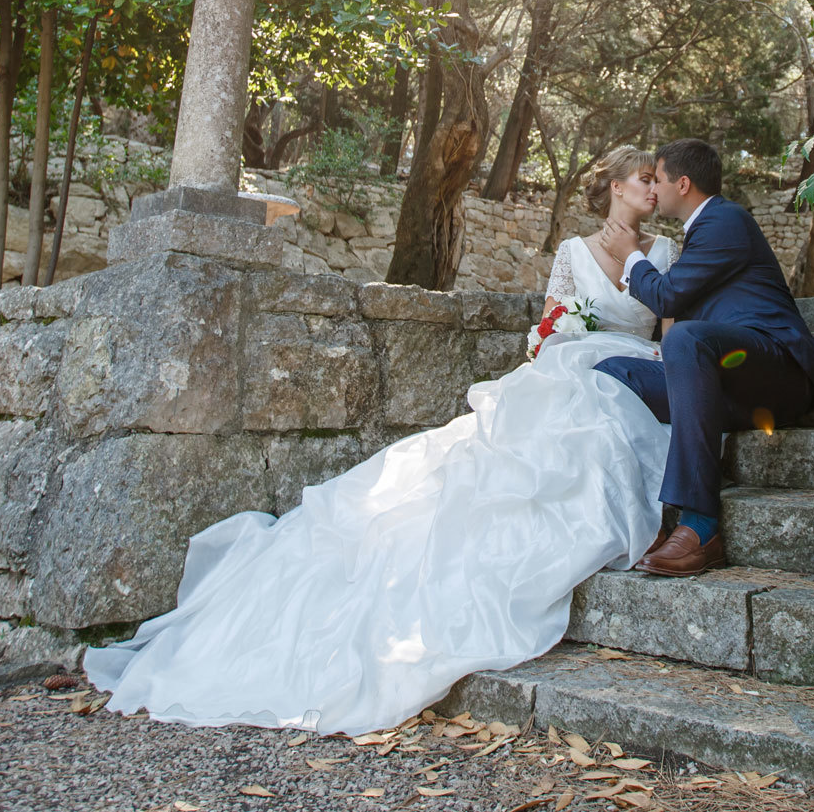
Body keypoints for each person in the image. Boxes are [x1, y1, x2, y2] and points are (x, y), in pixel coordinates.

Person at [81, 146, 681, 736]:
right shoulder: (573, 251)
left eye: (657, 180)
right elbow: (551, 324)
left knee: (592, 421)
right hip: (563, 370)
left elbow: (670, 333)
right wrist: (558, 343)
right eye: (645, 178)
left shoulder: (665, 251)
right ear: (615, 185)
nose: (655, 189)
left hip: (630, 368)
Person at [589, 138, 814, 577]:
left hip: (779, 374)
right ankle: (641, 515)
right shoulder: (698, 236)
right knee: (610, 373)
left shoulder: (724, 220)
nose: (654, 190)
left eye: (657, 179)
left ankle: (699, 525)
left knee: (684, 342)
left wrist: (630, 256)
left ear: (683, 182)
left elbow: (668, 298)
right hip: (733, 386)